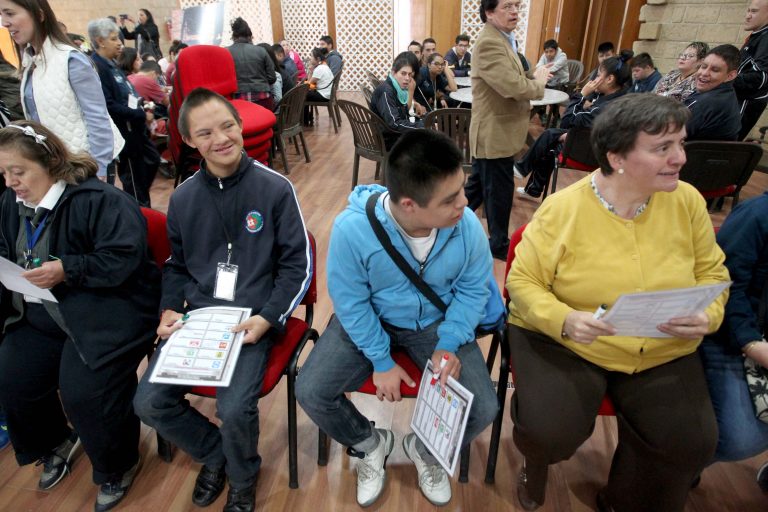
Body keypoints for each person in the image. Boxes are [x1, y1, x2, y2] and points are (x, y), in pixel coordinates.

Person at [506, 94, 729, 512]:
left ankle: (624, 499)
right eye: (662, 147)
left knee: (691, 440)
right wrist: (566, 319)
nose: (680, 158)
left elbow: (714, 275)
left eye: (681, 143)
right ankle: (536, 462)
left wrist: (707, 315)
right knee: (549, 431)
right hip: (569, 340)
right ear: (617, 157)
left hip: (660, 344)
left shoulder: (687, 202)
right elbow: (523, 280)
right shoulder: (563, 210)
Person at [296, 129, 498, 509]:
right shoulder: (352, 230)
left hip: (437, 324)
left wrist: (448, 343)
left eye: (462, 189)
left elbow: (473, 291)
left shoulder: (466, 225)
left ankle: (423, 449)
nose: (465, 203)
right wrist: (381, 360)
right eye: (451, 198)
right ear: (409, 205)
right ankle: (370, 444)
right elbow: (352, 304)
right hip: (374, 321)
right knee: (310, 390)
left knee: (484, 406)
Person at [134, 87, 311, 512]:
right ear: (191, 141)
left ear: (240, 124)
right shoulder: (183, 197)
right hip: (199, 317)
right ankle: (217, 455)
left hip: (251, 320)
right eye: (206, 132)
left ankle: (244, 476)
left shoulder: (275, 188)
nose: (221, 139)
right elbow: (176, 265)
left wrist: (269, 317)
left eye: (228, 126)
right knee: (148, 402)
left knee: (234, 407)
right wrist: (171, 309)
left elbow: (297, 267)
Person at [0, 120, 161, 512]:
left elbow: (124, 261)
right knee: (12, 372)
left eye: (17, 172)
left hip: (107, 312)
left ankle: (117, 465)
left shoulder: (100, 200)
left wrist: (67, 269)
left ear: (49, 161)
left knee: (85, 392)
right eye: (3, 173)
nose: (10, 183)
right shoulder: (10, 204)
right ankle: (54, 440)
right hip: (43, 311)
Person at [0, 0, 124, 181]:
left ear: (39, 15)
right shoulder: (30, 61)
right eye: (2, 15)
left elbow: (97, 117)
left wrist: (99, 169)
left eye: (10, 14)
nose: (4, 22)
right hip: (58, 168)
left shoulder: (70, 60)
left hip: (85, 168)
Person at [464, 0, 549, 260]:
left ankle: (443, 228)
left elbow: (516, 77)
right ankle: (498, 244)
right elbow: (512, 86)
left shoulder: (504, 38)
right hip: (494, 133)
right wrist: (539, 82)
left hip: (498, 132)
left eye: (517, 6)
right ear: (489, 13)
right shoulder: (489, 42)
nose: (515, 11)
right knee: (499, 192)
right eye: (507, 6)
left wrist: (531, 77)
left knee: (477, 189)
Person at [699, 191, 768, 494]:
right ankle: (672, 467)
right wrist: (752, 343)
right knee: (739, 439)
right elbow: (725, 288)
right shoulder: (757, 215)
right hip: (732, 336)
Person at [515, 51, 633, 199]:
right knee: (550, 139)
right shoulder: (614, 97)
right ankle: (531, 186)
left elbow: (567, 121)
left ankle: (522, 170)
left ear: (609, 79)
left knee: (550, 139)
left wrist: (582, 95)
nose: (594, 79)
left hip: (590, 152)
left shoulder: (607, 107)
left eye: (598, 75)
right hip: (595, 145)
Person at [89, 18, 159, 207]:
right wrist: (140, 115)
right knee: (135, 182)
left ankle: (144, 208)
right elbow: (109, 105)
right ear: (100, 41)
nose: (120, 43)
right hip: (125, 133)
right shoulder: (99, 68)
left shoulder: (112, 65)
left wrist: (142, 106)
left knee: (151, 162)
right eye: (113, 39)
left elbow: (126, 94)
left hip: (136, 129)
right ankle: (141, 217)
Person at [684, 45, 742, 142]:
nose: (704, 73)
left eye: (715, 70)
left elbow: (672, 133)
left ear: (730, 76)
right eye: (703, 66)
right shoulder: (720, 93)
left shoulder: (709, 102)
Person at [370, 52, 424, 149]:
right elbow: (394, 123)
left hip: (394, 134)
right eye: (403, 73)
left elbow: (403, 115)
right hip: (387, 139)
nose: (407, 78)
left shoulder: (399, 89)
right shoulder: (386, 91)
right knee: (430, 141)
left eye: (410, 74)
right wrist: (422, 126)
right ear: (393, 72)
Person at [226, 18, 276, 111]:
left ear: (233, 36)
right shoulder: (261, 51)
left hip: (238, 101)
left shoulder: (226, 52)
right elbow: (272, 77)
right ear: (249, 36)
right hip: (263, 99)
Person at [736, 0, 768, 140]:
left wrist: (723, 79)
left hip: (745, 104)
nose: (747, 16)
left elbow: (760, 78)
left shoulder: (766, 38)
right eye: (748, 11)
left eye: (754, 11)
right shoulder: (758, 36)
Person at [303, 47, 333, 125]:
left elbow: (308, 86)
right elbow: (311, 86)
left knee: (302, 95)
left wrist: (310, 71)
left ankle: (304, 120)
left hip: (323, 95)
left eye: (312, 56)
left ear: (318, 59)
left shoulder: (319, 69)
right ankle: (306, 118)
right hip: (328, 94)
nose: (310, 58)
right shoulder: (324, 66)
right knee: (306, 94)